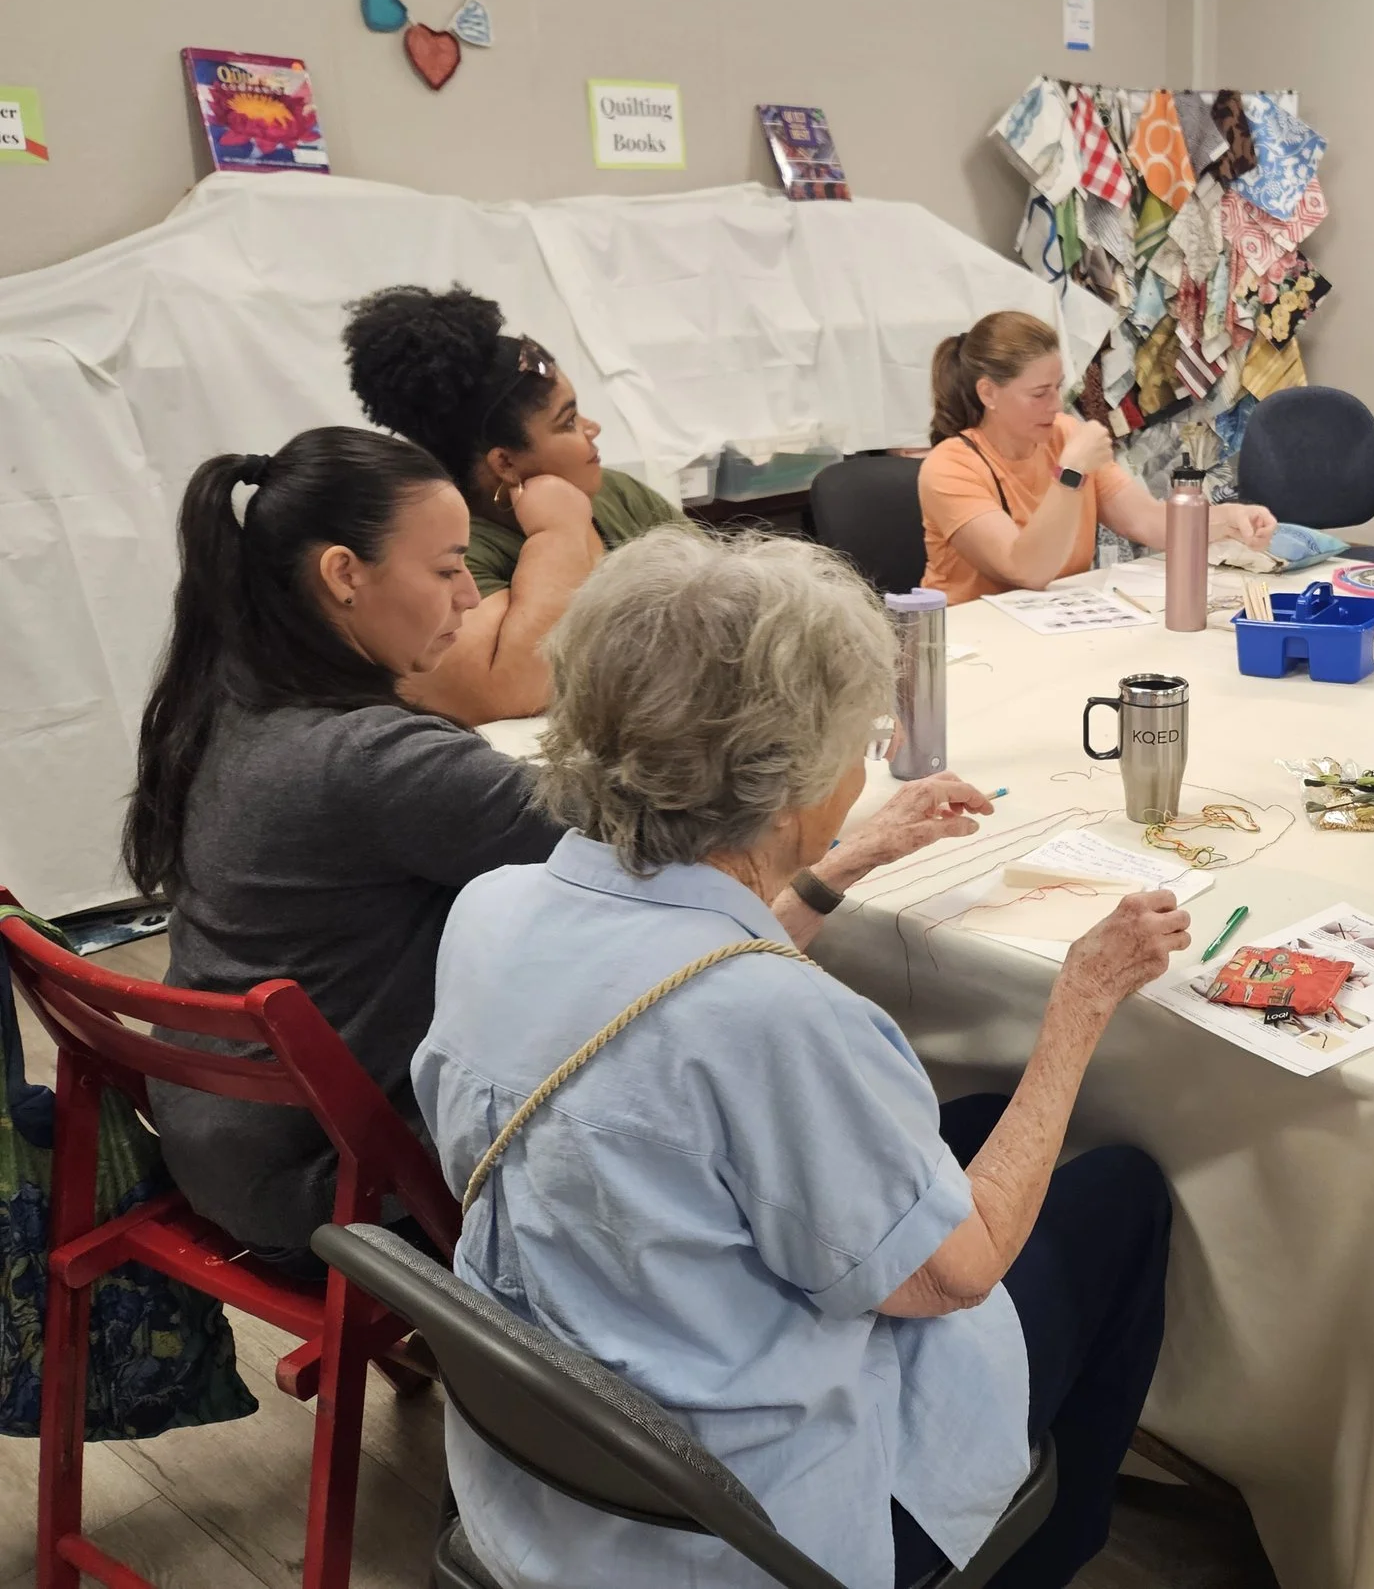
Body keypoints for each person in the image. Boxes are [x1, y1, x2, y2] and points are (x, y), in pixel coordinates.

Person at [415, 529, 1184, 1589]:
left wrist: (838, 866)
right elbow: (951, 1274)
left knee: (976, 1121)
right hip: (748, 1530)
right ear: (785, 788)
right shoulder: (785, 1020)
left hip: (552, 1464)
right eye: (857, 743)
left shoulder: (490, 911)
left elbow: (665, 983)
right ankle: (1033, 1558)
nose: (863, 765)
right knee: (1123, 1194)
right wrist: (1081, 1002)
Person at [122, 428, 565, 1269]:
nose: (470, 595)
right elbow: (631, 827)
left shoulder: (227, 698)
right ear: (342, 573)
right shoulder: (371, 759)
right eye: (446, 568)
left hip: (219, 1139)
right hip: (329, 1193)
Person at [343, 284, 681, 723]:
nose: (592, 428)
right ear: (504, 462)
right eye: (568, 422)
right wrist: (559, 532)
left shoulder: (619, 492)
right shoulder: (445, 551)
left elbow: (718, 607)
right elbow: (511, 688)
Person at [917, 310, 1277, 605]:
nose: (1056, 405)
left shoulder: (1065, 436)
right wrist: (1070, 471)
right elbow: (1027, 569)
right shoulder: (950, 467)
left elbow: (1148, 523)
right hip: (973, 642)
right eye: (1039, 393)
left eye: (1057, 388)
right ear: (988, 393)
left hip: (1049, 624)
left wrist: (1229, 520)